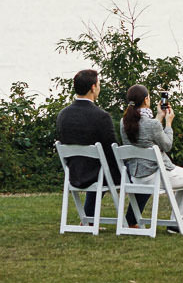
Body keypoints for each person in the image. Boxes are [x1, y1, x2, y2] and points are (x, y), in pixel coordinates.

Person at [54, 69, 137, 226]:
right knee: (137, 170)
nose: (99, 87)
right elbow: (112, 150)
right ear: (93, 87)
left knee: (102, 165)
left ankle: (89, 218)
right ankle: (132, 220)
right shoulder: (101, 116)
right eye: (99, 84)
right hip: (97, 173)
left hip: (74, 173)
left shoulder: (63, 115)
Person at [118, 83, 183, 230]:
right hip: (156, 175)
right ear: (146, 100)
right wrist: (168, 123)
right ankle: (179, 223)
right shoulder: (151, 124)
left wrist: (159, 116)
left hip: (136, 177)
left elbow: (146, 134)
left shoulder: (124, 122)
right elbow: (167, 145)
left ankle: (176, 222)